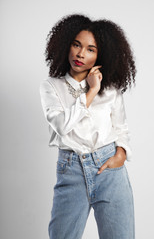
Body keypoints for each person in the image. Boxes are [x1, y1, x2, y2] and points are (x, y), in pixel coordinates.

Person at [39, 13, 136, 239]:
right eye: (76, 45)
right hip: (71, 170)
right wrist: (91, 91)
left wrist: (120, 154)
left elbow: (121, 128)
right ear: (66, 45)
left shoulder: (110, 89)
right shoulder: (51, 87)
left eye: (91, 49)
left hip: (110, 170)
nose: (81, 54)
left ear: (101, 55)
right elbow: (63, 125)